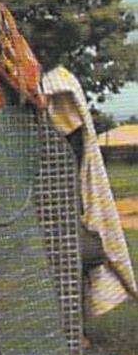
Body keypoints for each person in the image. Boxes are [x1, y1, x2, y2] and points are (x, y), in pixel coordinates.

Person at [30, 18, 137, 322]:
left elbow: (73, 148)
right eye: (39, 46)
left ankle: (73, 327)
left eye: (50, 47)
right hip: (41, 186)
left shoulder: (59, 85)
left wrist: (63, 194)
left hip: (59, 188)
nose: (43, 52)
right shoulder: (34, 80)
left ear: (62, 51)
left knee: (68, 259)